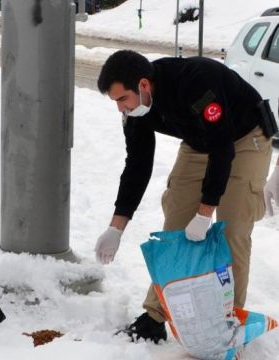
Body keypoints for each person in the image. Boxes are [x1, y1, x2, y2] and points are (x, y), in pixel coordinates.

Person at [93, 50, 275, 343]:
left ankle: (229, 320)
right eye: (115, 102)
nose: (120, 108)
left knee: (233, 229)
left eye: (122, 99)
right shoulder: (135, 110)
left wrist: (205, 213)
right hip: (198, 142)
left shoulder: (195, 83)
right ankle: (154, 316)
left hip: (242, 138)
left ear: (143, 85)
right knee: (175, 225)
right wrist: (117, 226)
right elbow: (137, 164)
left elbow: (222, 149)